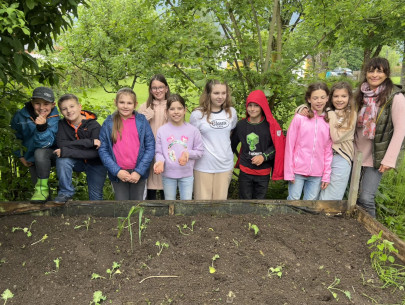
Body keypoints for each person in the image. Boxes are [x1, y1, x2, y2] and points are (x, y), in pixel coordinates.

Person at [355, 57, 405, 218]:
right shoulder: (360, 94)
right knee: (353, 196)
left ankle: (375, 236)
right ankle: (358, 231)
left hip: (376, 155)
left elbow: (400, 130)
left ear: (387, 74)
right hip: (354, 153)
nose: (374, 75)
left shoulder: (395, 97)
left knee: (366, 197)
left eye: (379, 71)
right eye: (371, 71)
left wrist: (389, 159)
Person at [297, 82, 357, 200]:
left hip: (340, 156)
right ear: (330, 98)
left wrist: (331, 113)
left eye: (343, 96)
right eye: (336, 96)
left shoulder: (350, 115)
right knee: (313, 195)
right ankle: (310, 218)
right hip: (321, 157)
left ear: (349, 98)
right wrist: (301, 108)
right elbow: (310, 111)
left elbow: (336, 137)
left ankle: (326, 218)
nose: (339, 100)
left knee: (330, 197)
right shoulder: (325, 111)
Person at [98, 87, 155, 200]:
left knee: (137, 206)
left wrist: (139, 172)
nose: (125, 106)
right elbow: (103, 149)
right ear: (116, 102)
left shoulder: (141, 121)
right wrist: (117, 171)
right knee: (122, 206)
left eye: (129, 103)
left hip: (138, 173)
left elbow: (150, 147)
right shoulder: (109, 123)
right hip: (119, 174)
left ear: (135, 104)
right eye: (122, 102)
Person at [231, 90, 285, 199]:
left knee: (259, 202)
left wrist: (263, 156)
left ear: (262, 107)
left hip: (263, 173)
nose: (252, 109)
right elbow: (231, 145)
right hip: (245, 171)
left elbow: (278, 146)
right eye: (250, 105)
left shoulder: (271, 125)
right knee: (245, 201)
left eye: (256, 106)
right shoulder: (241, 125)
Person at [53, 94, 107, 203]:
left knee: (96, 199)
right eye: (64, 109)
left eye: (72, 106)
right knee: (62, 160)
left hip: (95, 163)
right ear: (61, 111)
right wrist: (89, 142)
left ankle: (96, 218)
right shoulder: (61, 125)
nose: (69, 111)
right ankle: (66, 192)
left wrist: (67, 150)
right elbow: (61, 144)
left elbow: (96, 153)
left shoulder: (94, 125)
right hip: (76, 162)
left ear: (79, 107)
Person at [189, 79, 237, 200]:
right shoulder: (197, 115)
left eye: (223, 93)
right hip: (203, 166)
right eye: (216, 93)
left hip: (224, 166)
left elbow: (230, 134)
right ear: (208, 94)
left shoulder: (231, 112)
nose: (220, 96)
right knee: (202, 206)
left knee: (219, 207)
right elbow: (192, 140)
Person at [284, 82, 333, 200]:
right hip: (297, 171)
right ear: (309, 99)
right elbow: (290, 145)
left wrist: (326, 175)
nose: (319, 101)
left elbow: (328, 150)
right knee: (293, 201)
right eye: (315, 98)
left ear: (327, 98)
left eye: (322, 97)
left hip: (317, 173)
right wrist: (289, 171)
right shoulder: (300, 118)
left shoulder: (329, 121)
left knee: (310, 205)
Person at [11, 86, 59, 203]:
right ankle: (47, 215)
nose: (42, 107)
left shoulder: (54, 118)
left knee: (40, 153)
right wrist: (20, 156)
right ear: (32, 102)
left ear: (53, 105)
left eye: (46, 104)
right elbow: (15, 138)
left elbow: (46, 143)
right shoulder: (20, 116)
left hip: (52, 153)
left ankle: (63, 201)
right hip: (32, 156)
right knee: (39, 191)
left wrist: (42, 127)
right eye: (37, 103)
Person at [153, 94, 203, 200]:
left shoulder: (193, 130)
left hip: (187, 175)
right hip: (168, 175)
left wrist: (188, 154)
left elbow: (199, 151)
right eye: (172, 109)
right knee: (170, 202)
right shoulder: (162, 131)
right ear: (166, 112)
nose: (176, 112)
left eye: (179, 108)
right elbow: (159, 152)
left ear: (185, 110)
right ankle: (171, 217)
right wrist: (160, 162)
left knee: (186, 203)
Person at [138, 74, 170, 200]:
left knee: (165, 179)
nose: (158, 91)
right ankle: (149, 210)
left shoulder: (172, 105)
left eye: (161, 87)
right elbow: (136, 129)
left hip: (167, 149)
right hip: (149, 149)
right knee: (150, 179)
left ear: (166, 88)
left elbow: (179, 126)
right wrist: (144, 119)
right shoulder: (145, 106)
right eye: (154, 88)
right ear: (151, 90)